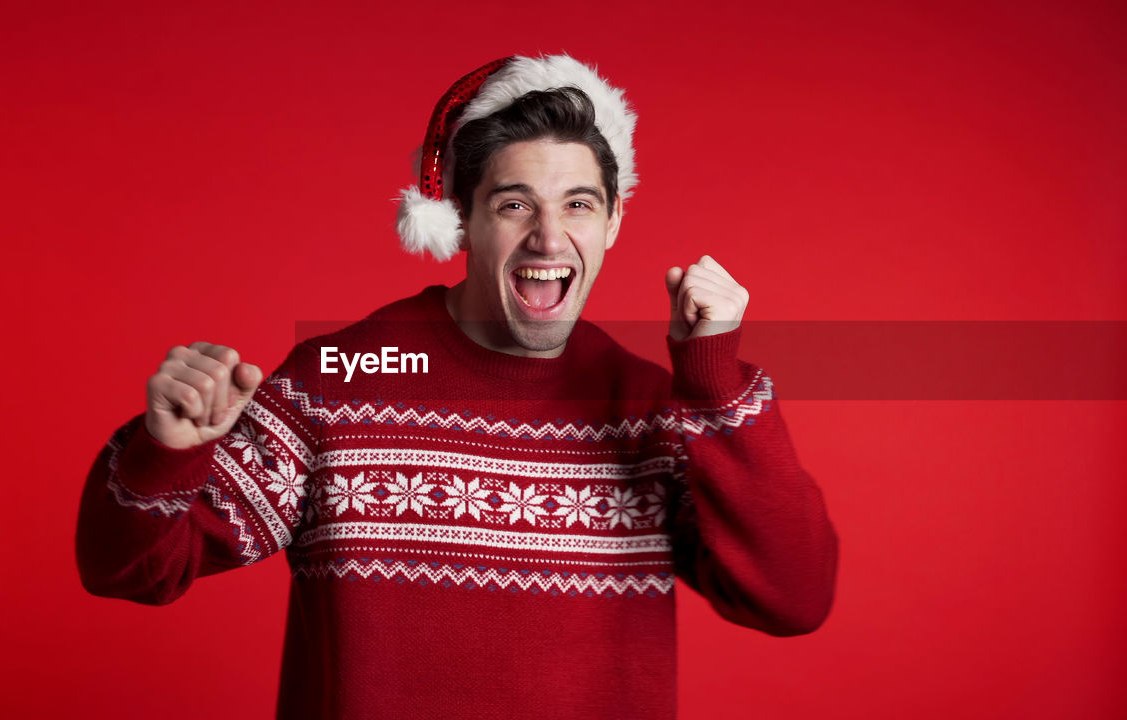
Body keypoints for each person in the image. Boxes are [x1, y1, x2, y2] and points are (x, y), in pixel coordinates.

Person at [76, 54, 839, 719]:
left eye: (579, 204)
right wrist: (164, 452)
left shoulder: (652, 412)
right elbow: (132, 569)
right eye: (514, 205)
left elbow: (791, 600)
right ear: (460, 222)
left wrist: (712, 388)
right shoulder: (344, 378)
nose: (548, 236)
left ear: (611, 225)